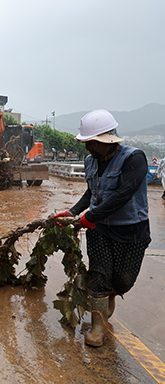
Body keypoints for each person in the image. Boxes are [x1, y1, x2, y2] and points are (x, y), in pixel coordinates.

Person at [53, 109, 151, 347]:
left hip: (132, 230)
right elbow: (92, 192)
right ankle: (98, 327)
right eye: (87, 143)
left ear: (108, 141)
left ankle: (110, 296)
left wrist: (90, 215)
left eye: (93, 143)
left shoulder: (134, 159)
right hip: (99, 229)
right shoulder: (90, 161)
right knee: (98, 275)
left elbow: (122, 195)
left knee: (123, 281)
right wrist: (74, 212)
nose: (89, 148)